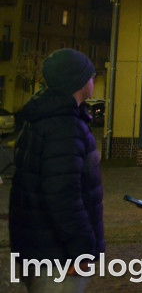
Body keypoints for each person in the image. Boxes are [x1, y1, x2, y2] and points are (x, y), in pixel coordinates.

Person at [9, 49, 104, 293]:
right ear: (78, 81)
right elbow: (63, 196)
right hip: (58, 257)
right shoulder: (64, 128)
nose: (93, 80)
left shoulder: (42, 118)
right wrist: (81, 250)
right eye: (91, 75)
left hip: (39, 248)